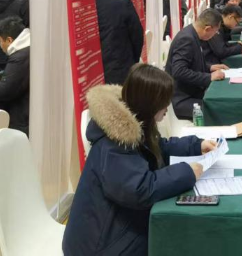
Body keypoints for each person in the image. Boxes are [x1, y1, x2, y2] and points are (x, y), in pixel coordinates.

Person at [63, 64, 212, 256]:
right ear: (150, 104)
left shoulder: (133, 124)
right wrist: (187, 172)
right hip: (100, 246)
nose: (167, 107)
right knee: (177, 238)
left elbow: (158, 146)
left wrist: (196, 145)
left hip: (115, 228)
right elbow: (141, 189)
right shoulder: (114, 145)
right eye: (164, 102)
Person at [164, 8, 227, 119]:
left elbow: (191, 62)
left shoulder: (192, 33)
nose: (215, 35)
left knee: (222, 100)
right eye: (215, 32)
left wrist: (210, 67)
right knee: (221, 109)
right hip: (182, 99)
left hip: (192, 92)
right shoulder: (187, 39)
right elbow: (179, 71)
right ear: (208, 29)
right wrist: (209, 77)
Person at [93, 0, 144, 84]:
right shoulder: (123, 2)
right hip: (120, 70)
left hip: (91, 73)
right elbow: (137, 35)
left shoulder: (83, 5)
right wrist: (132, 61)